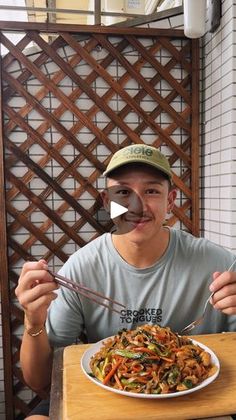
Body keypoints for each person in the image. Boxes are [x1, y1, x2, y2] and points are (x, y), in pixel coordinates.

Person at [15, 144, 236, 419]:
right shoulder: (82, 268)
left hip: (199, 401)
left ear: (170, 201)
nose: (136, 205)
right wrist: (33, 322)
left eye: (151, 191)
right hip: (108, 396)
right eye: (123, 192)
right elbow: (39, 381)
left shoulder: (218, 263)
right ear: (107, 202)